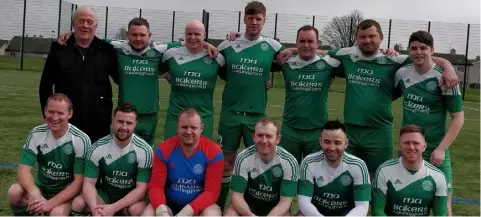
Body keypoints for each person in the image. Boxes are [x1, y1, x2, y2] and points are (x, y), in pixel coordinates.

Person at [276, 19, 459, 176]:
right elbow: (316, 52)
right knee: (347, 179)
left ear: (381, 38)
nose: (367, 40)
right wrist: (292, 49)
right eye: (363, 37)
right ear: (357, 39)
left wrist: (448, 65)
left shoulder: (393, 59)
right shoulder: (347, 55)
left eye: (372, 36)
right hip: (351, 131)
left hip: (380, 132)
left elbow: (422, 57)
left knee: (380, 180)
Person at [57, 17, 218, 147]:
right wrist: (71, 34)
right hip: (124, 113)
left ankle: (144, 187)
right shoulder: (118, 47)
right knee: (121, 150)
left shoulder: (160, 49)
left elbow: (191, 41)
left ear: (149, 35)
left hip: (149, 114)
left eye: (142, 35)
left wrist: (207, 44)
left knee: (146, 153)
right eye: (134, 35)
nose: (138, 38)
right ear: (128, 35)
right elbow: (91, 38)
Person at [216, 1, 285, 209]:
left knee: (256, 163)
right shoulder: (228, 44)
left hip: (256, 115)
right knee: (226, 162)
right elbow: (216, 66)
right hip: (230, 113)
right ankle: (219, 206)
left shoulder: (272, 46)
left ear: (264, 21)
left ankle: (249, 206)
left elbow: (292, 58)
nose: (254, 22)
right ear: (244, 19)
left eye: (258, 19)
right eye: (250, 18)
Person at [394, 30, 464, 216]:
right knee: (402, 200)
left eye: (423, 48)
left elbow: (458, 118)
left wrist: (441, 149)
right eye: (414, 48)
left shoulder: (445, 79)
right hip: (407, 149)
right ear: (408, 51)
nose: (418, 52)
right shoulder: (401, 73)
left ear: (432, 50)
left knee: (444, 205)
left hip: (435, 151)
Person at [40, 7, 119, 143]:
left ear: (96, 26)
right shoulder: (59, 48)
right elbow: (45, 85)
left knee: (94, 162)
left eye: (90, 22)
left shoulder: (107, 50)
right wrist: (47, 114)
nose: (85, 26)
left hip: (98, 122)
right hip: (67, 120)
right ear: (73, 24)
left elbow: (121, 78)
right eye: (81, 21)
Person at [269, 25, 342, 163]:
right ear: (296, 43)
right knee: (288, 172)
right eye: (302, 41)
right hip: (290, 130)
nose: (306, 45)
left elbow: (350, 55)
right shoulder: (286, 63)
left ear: (318, 43)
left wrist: (388, 52)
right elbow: (261, 61)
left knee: (314, 174)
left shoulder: (329, 64)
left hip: (317, 130)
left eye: (310, 41)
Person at [8, 93, 90, 216]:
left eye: (60, 113)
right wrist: (34, 192)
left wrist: (49, 204)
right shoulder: (36, 133)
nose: (54, 117)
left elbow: (78, 182)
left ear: (70, 114)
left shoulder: (80, 139)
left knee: (56, 213)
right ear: (45, 111)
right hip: (42, 188)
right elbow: (23, 169)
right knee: (14, 192)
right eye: (51, 112)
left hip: (67, 195)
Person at [70, 102, 153, 216]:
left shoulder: (145, 150)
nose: (124, 127)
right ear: (112, 121)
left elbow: (141, 189)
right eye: (120, 121)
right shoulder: (98, 147)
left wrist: (114, 207)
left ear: (135, 124)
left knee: (135, 210)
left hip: (131, 197)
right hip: (106, 194)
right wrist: (95, 208)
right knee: (78, 203)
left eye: (129, 123)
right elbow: (89, 183)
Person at [144, 108, 223, 216]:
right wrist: (161, 209)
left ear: (201, 128)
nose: (188, 132)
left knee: (211, 214)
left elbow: (212, 192)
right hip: (169, 204)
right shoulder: (164, 149)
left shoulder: (214, 151)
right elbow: (156, 186)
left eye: (193, 127)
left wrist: (188, 211)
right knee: (147, 214)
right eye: (184, 127)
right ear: (177, 127)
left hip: (200, 207)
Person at [161, 20, 225, 141]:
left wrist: (264, 81)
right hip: (175, 116)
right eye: (189, 34)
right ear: (185, 35)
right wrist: (168, 74)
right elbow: (155, 66)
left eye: (197, 34)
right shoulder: (170, 54)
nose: (192, 37)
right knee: (170, 156)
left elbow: (233, 76)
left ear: (204, 36)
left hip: (204, 117)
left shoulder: (216, 57)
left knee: (201, 157)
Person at [224, 118, 299, 216]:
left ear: (278, 139)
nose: (264, 141)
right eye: (260, 135)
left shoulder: (289, 161)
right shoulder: (244, 157)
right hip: (247, 208)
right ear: (253, 137)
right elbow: (237, 196)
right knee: (230, 214)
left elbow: (285, 202)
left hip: (275, 211)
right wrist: (249, 215)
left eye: (269, 136)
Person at [297, 120, 370, 216]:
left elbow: (362, 206)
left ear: (346, 144)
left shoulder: (358, 166)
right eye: (327, 142)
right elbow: (303, 202)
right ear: (320, 142)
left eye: (337, 143)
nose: (332, 148)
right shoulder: (309, 162)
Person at [372, 124, 448, 216]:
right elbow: (377, 211)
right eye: (406, 143)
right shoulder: (384, 170)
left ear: (424, 146)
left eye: (416, 143)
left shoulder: (438, 176)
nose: (411, 147)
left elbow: (440, 214)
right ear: (399, 146)